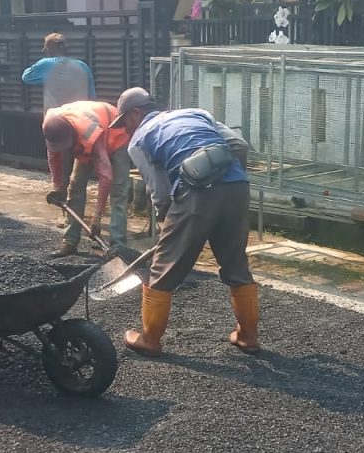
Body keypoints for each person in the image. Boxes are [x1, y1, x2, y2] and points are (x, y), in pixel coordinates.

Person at [111, 87, 260, 356]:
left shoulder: (139, 140)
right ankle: (248, 336)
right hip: (237, 186)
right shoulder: (196, 113)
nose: (125, 130)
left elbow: (157, 189)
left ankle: (150, 339)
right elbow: (239, 145)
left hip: (196, 193)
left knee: (163, 266)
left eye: (124, 123)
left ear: (135, 114)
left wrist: (167, 220)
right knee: (235, 261)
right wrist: (230, 177)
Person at [42, 101, 132, 257]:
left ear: (73, 135)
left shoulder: (88, 132)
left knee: (118, 191)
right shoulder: (51, 125)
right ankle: (69, 242)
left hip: (116, 135)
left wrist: (97, 217)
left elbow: (105, 176)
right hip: (86, 136)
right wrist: (57, 187)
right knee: (75, 186)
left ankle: (118, 247)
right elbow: (53, 156)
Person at [21, 33, 96, 194]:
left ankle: (58, 188)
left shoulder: (46, 64)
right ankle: (76, 191)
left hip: (56, 120)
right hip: (81, 119)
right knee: (79, 156)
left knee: (55, 154)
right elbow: (92, 96)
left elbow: (26, 77)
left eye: (46, 48)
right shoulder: (83, 66)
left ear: (49, 49)